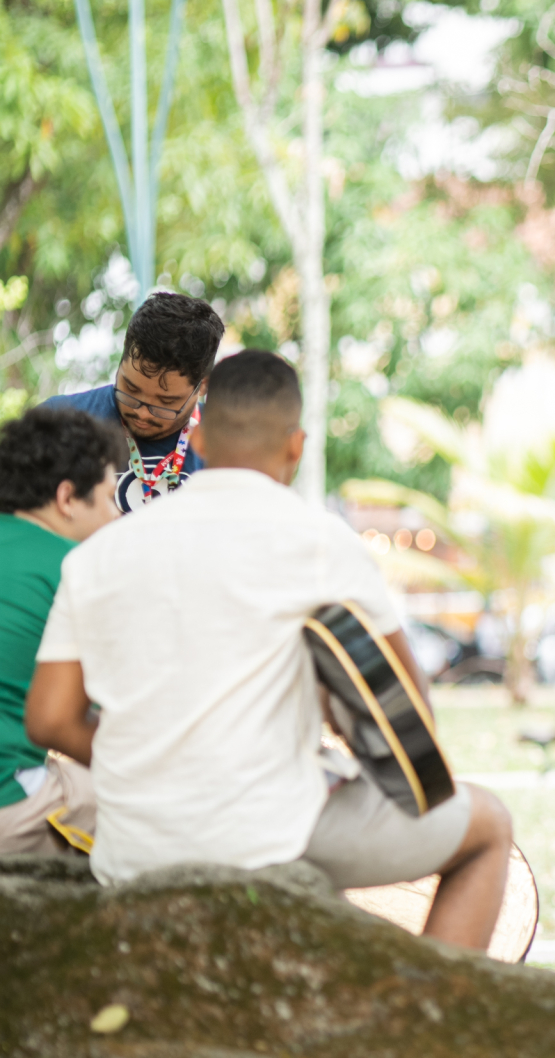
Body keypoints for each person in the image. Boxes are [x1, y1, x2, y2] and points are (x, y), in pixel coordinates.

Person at [25, 350, 513, 950]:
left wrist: (153, 765)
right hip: (267, 840)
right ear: (297, 446)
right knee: (489, 825)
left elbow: (49, 717)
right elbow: (410, 715)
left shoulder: (103, 551)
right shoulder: (322, 542)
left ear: (198, 436)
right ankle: (423, 1024)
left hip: (132, 848)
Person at [0, 409, 122, 856]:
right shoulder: (78, 568)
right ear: (67, 498)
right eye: (110, 498)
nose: (116, 516)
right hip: (8, 799)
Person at [40, 290, 224, 513]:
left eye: (165, 402)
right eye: (130, 389)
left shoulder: (229, 443)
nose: (143, 413)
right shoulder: (56, 423)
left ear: (203, 386)